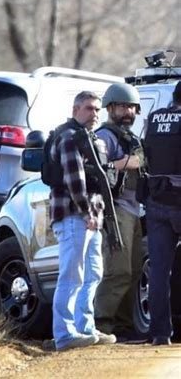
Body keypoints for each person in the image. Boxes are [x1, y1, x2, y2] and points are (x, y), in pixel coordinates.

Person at [46, 91, 116, 351]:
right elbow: (75, 181)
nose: (95, 114)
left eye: (98, 109)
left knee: (93, 274)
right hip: (75, 216)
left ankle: (85, 329)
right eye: (89, 108)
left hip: (90, 218)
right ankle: (65, 335)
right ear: (76, 109)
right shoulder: (69, 137)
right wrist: (87, 212)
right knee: (71, 276)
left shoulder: (90, 138)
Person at [94, 83, 145, 341]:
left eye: (132, 107)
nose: (128, 112)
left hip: (134, 211)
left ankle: (123, 327)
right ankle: (101, 325)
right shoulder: (105, 136)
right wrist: (129, 162)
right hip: (115, 212)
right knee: (118, 271)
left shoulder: (130, 137)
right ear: (110, 108)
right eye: (123, 106)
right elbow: (96, 167)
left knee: (135, 270)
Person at [143, 80, 181, 346]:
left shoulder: (154, 119)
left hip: (156, 201)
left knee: (159, 272)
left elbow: (145, 155)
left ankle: (160, 333)